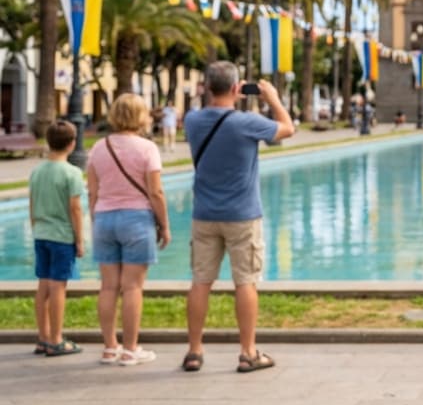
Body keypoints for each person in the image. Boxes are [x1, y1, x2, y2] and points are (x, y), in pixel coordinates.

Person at [182, 62, 294, 374]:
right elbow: (287, 129)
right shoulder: (247, 123)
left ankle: (194, 351)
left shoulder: (192, 120)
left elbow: (209, 112)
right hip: (243, 215)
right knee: (245, 282)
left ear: (206, 87)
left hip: (204, 214)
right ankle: (248, 352)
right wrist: (272, 98)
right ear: (236, 88)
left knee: (200, 282)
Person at [85, 94, 171, 366]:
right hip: (136, 219)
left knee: (108, 287)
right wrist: (165, 225)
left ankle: (110, 348)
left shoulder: (98, 148)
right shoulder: (147, 148)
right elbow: (155, 192)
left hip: (104, 219)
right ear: (141, 116)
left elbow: (92, 191)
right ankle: (131, 349)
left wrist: (95, 219)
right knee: (133, 287)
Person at [29, 120, 86, 358]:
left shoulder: (37, 171)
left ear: (48, 142)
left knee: (43, 286)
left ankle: (43, 338)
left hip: (41, 234)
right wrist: (80, 239)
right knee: (58, 287)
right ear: (72, 144)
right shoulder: (72, 173)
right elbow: (75, 209)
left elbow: (32, 204)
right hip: (62, 237)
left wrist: (35, 227)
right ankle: (56, 339)